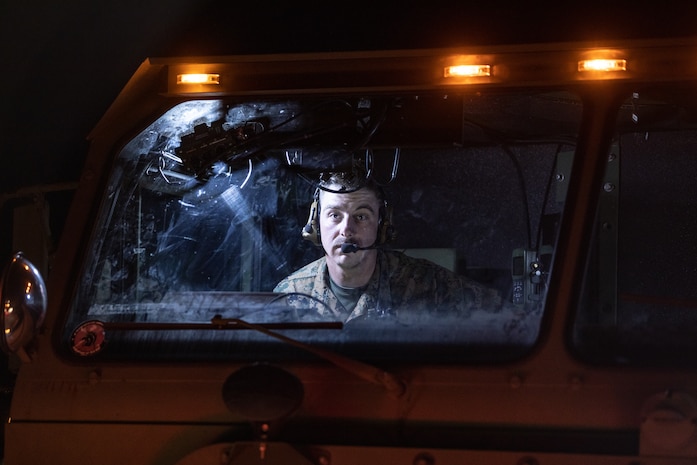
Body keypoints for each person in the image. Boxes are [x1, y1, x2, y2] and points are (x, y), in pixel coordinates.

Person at [273, 171, 502, 323]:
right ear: (315, 224)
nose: (346, 229)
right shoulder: (290, 295)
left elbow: (508, 318)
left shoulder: (426, 284)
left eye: (361, 216)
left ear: (382, 226)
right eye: (334, 215)